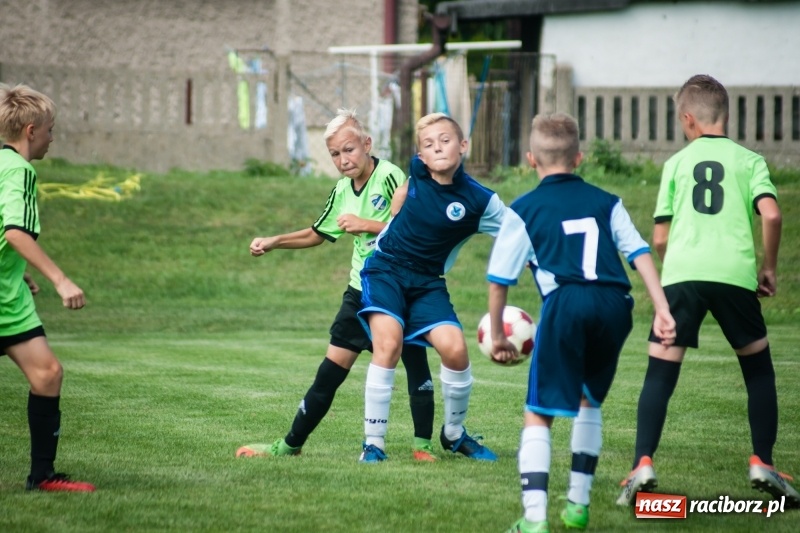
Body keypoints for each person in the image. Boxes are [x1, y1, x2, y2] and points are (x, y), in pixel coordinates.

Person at [486, 113, 675, 532]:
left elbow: (499, 281)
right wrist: (661, 308)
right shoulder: (607, 201)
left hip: (566, 302)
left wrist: (498, 334)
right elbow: (639, 253)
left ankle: (534, 519)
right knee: (589, 400)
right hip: (614, 304)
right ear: (580, 158)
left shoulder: (524, 209)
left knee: (538, 412)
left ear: (531, 159)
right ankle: (577, 505)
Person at [617, 74, 800, 508]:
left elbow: (659, 239)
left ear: (688, 119)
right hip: (735, 275)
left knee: (661, 371)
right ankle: (763, 461)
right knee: (757, 370)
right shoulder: (749, 160)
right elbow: (771, 216)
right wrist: (769, 267)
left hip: (682, 276)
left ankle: (642, 462)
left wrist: (675, 272)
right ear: (726, 115)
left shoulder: (676, 164)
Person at [235, 109, 437, 461]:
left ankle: (423, 446)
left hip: (402, 287)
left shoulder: (389, 175)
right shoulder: (342, 190)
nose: (344, 160)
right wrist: (274, 240)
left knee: (414, 362)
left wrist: (366, 224)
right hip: (362, 291)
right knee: (329, 373)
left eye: (349, 149)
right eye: (335, 154)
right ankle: (290, 445)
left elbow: (415, 225)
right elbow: (318, 233)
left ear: (367, 144)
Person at [357, 112, 506, 463]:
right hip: (385, 270)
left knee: (455, 349)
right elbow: (411, 183)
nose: (437, 147)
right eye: (428, 144)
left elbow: (519, 235)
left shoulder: (481, 201)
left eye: (445, 140)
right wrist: (398, 206)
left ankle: (453, 434)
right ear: (421, 157)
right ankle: (373, 443)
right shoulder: (419, 170)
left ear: (463, 146)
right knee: (389, 343)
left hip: (428, 283)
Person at [0, 83, 95, 492]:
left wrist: (18, 270)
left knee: (47, 374)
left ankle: (42, 477)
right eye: (51, 130)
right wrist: (61, 279)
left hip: (9, 296)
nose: (52, 139)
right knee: (47, 374)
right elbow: (16, 232)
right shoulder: (20, 169)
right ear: (31, 130)